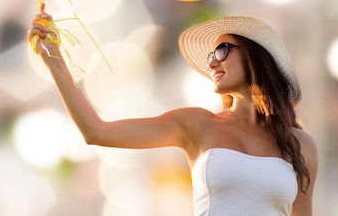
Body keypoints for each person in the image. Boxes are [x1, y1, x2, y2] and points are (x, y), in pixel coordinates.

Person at [28, 11, 318, 215]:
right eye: (210, 57)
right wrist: (55, 61)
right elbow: (97, 132)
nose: (213, 63)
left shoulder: (301, 146)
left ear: (255, 55)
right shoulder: (197, 123)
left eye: (222, 51)